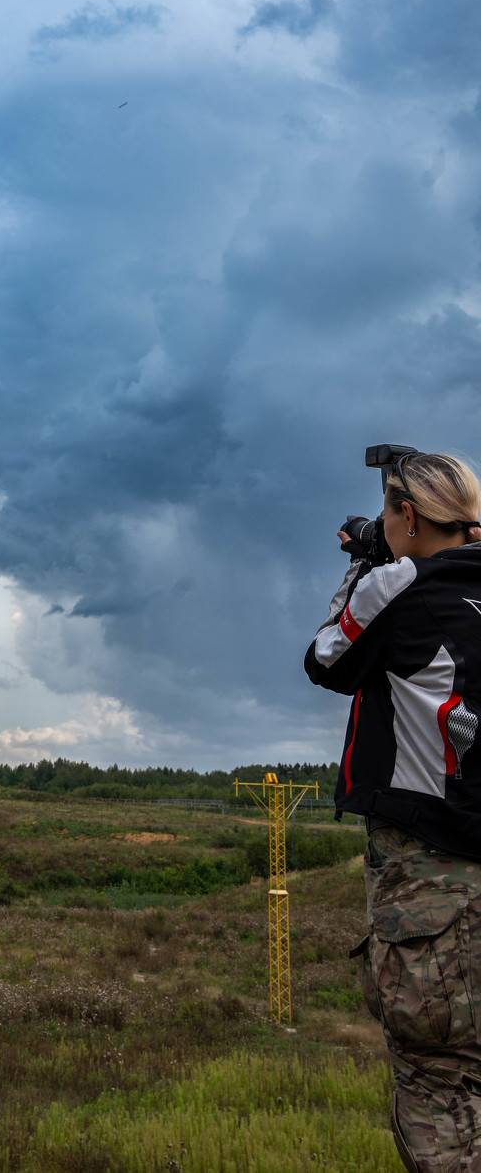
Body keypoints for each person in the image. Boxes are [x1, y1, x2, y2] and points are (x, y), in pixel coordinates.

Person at [305, 451, 481, 1173]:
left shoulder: (400, 583)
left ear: (407, 515)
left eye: (388, 513)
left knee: (439, 1089)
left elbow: (327, 659)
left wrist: (366, 559)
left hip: (432, 882)